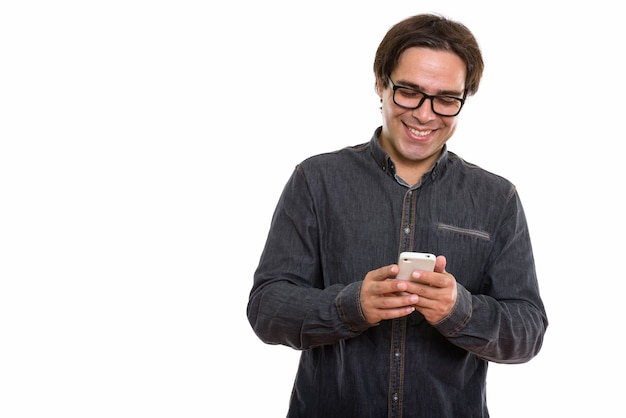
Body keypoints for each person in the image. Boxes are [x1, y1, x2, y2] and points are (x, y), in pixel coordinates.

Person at [247, 13, 548, 418]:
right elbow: (266, 308)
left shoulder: (497, 198)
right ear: (380, 83)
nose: (425, 115)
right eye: (409, 92)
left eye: (446, 99)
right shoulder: (316, 180)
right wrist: (350, 306)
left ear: (464, 99)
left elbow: (527, 332)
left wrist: (460, 310)